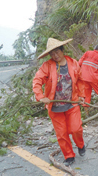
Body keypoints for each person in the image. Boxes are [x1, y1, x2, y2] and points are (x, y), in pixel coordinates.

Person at [33, 38, 86, 166]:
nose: (55, 56)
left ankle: (80, 144)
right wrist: (40, 96)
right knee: (61, 133)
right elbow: (37, 81)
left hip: (72, 103)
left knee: (76, 129)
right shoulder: (47, 66)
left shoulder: (73, 63)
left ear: (62, 50)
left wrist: (81, 95)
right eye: (52, 53)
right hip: (55, 106)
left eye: (57, 52)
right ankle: (69, 156)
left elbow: (80, 79)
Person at [78, 44, 98, 115]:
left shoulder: (87, 53)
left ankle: (86, 114)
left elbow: (79, 63)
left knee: (86, 95)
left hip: (83, 77)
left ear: (95, 48)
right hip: (94, 78)